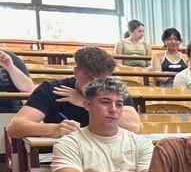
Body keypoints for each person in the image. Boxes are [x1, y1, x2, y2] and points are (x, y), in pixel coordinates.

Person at [7, 46, 140, 138]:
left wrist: (85, 103)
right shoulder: (52, 89)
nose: (94, 84)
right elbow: (14, 127)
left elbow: (133, 126)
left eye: (101, 79)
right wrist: (54, 129)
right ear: (76, 72)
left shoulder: (115, 90)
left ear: (109, 76)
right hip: (64, 155)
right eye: (88, 78)